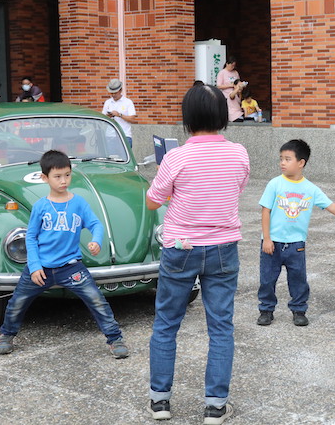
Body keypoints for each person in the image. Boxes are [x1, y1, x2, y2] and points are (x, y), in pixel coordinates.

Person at [145, 84, 249, 424]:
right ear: (222, 116)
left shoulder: (175, 157)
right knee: (221, 328)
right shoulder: (239, 153)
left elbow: (152, 201)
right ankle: (215, 406)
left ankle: (160, 402)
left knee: (166, 324)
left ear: (187, 118)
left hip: (180, 248)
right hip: (223, 248)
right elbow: (234, 190)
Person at [0, 150, 130, 359]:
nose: (63, 180)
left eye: (67, 175)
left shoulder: (78, 203)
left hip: (71, 266)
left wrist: (96, 240)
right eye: (57, 176)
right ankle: (6, 335)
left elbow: (96, 224)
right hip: (40, 268)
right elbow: (30, 238)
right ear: (44, 178)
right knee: (17, 302)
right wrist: (35, 266)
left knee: (97, 300)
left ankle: (115, 339)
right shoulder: (40, 206)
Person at [257, 139, 335, 328]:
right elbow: (265, 211)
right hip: (272, 243)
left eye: (287, 159)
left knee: (298, 279)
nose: (282, 162)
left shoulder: (310, 189)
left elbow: (332, 206)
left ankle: (299, 310)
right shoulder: (274, 184)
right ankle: (266, 310)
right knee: (267, 279)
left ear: (301, 163)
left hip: (296, 244)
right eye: (281, 159)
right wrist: (267, 238)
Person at [102, 78, 137, 148]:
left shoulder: (128, 102)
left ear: (120, 90)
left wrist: (119, 115)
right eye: (111, 93)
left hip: (125, 135)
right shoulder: (107, 102)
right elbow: (103, 119)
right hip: (110, 136)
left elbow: (133, 119)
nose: (113, 95)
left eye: (115, 92)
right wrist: (108, 116)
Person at [216, 57, 246, 122]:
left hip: (236, 94)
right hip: (226, 95)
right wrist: (231, 85)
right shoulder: (222, 73)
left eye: (234, 66)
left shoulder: (235, 72)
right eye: (231, 65)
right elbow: (218, 86)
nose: (233, 67)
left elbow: (238, 82)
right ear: (227, 64)